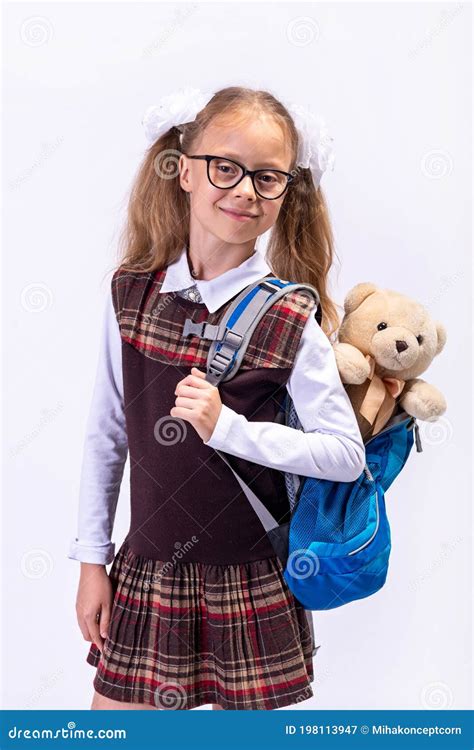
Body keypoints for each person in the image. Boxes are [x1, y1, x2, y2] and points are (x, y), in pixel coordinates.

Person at [68, 85, 366, 711]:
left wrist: (228, 427)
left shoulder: (289, 316)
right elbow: (107, 434)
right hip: (147, 575)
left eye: (267, 177)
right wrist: (91, 561)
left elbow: (345, 454)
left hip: (249, 583)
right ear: (182, 169)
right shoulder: (131, 293)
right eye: (225, 167)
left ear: (288, 191)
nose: (244, 190)